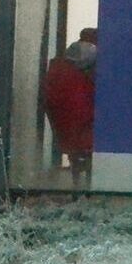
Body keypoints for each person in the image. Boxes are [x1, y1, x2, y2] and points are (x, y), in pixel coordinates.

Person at [42, 28, 97, 194]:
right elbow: (84, 112)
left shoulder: (59, 72)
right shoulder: (78, 81)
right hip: (83, 138)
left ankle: (78, 184)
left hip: (70, 137)